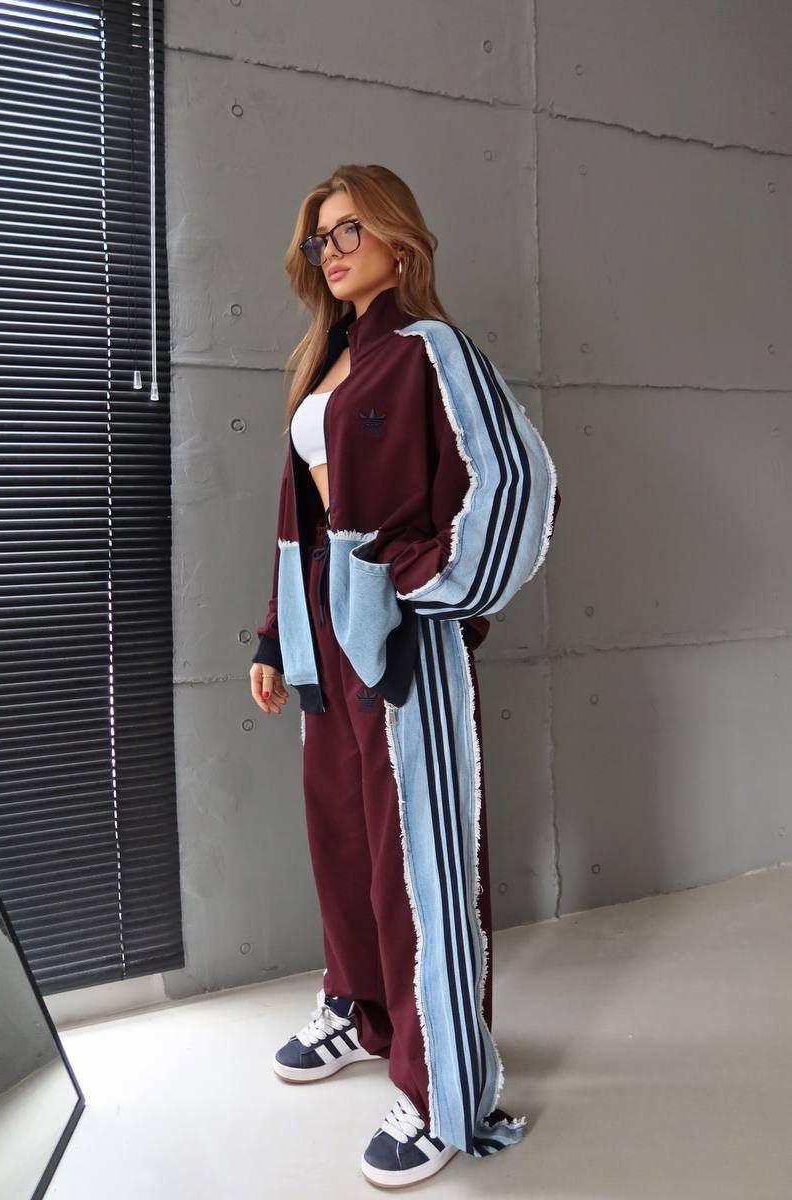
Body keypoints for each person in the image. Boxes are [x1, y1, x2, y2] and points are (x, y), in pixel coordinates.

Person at [249, 163, 560, 1188]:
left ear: (398, 238)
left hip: (398, 648)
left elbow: (516, 483)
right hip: (321, 645)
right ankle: (362, 1007)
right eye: (318, 238)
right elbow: (303, 520)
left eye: (349, 229)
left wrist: (425, 582)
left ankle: (442, 1091)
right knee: (342, 840)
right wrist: (273, 637)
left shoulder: (430, 350)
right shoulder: (324, 361)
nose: (331, 251)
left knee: (417, 865)